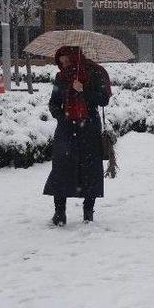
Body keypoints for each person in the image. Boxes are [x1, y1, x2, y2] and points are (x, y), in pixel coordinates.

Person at [44, 46, 112, 226]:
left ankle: (88, 212)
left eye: (67, 61)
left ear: (75, 58)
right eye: (61, 63)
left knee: (90, 170)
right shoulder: (61, 77)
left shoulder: (95, 73)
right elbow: (53, 104)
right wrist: (62, 118)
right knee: (61, 169)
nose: (64, 65)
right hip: (66, 130)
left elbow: (103, 100)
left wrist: (84, 90)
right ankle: (60, 213)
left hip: (89, 128)